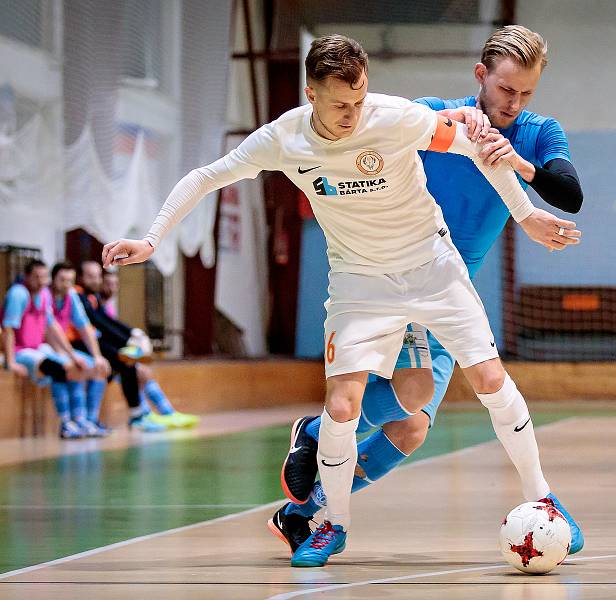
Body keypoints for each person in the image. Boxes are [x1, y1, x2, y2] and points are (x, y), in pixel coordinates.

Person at [101, 34, 581, 568]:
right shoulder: (282, 138)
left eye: (359, 100)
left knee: (485, 382)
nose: (352, 114)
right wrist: (151, 239)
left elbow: (477, 147)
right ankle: (331, 526)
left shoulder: (395, 117)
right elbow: (204, 177)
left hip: (431, 268)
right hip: (358, 283)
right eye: (339, 105)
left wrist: (525, 212)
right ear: (312, 94)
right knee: (342, 406)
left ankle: (540, 494)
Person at [273, 25, 585, 556]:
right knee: (413, 402)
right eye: (506, 90)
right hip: (392, 273)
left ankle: (304, 504)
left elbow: (569, 193)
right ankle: (325, 488)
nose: (515, 103)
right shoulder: (433, 114)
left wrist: (520, 166)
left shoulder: (537, 132)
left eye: (526, 93)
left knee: (411, 429)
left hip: (446, 287)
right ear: (481, 76)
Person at [99, 268, 198, 429]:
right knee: (135, 371)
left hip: (111, 355)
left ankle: (166, 413)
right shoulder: (96, 307)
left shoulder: (109, 307)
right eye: (108, 284)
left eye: (115, 284)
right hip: (104, 356)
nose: (111, 288)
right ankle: (142, 415)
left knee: (142, 371)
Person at [1, 260, 89, 439]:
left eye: (44, 277)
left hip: (38, 348)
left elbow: (52, 326)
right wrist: (10, 362)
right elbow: (8, 328)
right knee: (58, 369)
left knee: (75, 366)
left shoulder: (43, 295)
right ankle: (65, 423)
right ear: (26, 277)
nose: (41, 281)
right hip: (20, 351)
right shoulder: (19, 294)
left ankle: (80, 419)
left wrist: (71, 355)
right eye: (36, 277)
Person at [75, 261, 166, 432]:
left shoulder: (92, 298)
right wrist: (128, 339)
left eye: (97, 276)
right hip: (77, 343)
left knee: (128, 361)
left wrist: (133, 333)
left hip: (90, 341)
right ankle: (137, 414)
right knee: (124, 361)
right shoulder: (77, 296)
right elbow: (97, 321)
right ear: (80, 277)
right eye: (90, 276)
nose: (95, 281)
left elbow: (107, 321)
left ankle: (140, 414)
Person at [49, 262, 113, 436]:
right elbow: (49, 329)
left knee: (99, 368)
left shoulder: (71, 295)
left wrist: (97, 356)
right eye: (62, 280)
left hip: (63, 347)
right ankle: (69, 422)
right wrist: (71, 355)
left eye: (70, 280)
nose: (66, 284)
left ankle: (88, 421)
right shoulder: (46, 296)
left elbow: (84, 326)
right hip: (48, 347)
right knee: (73, 367)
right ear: (53, 279)